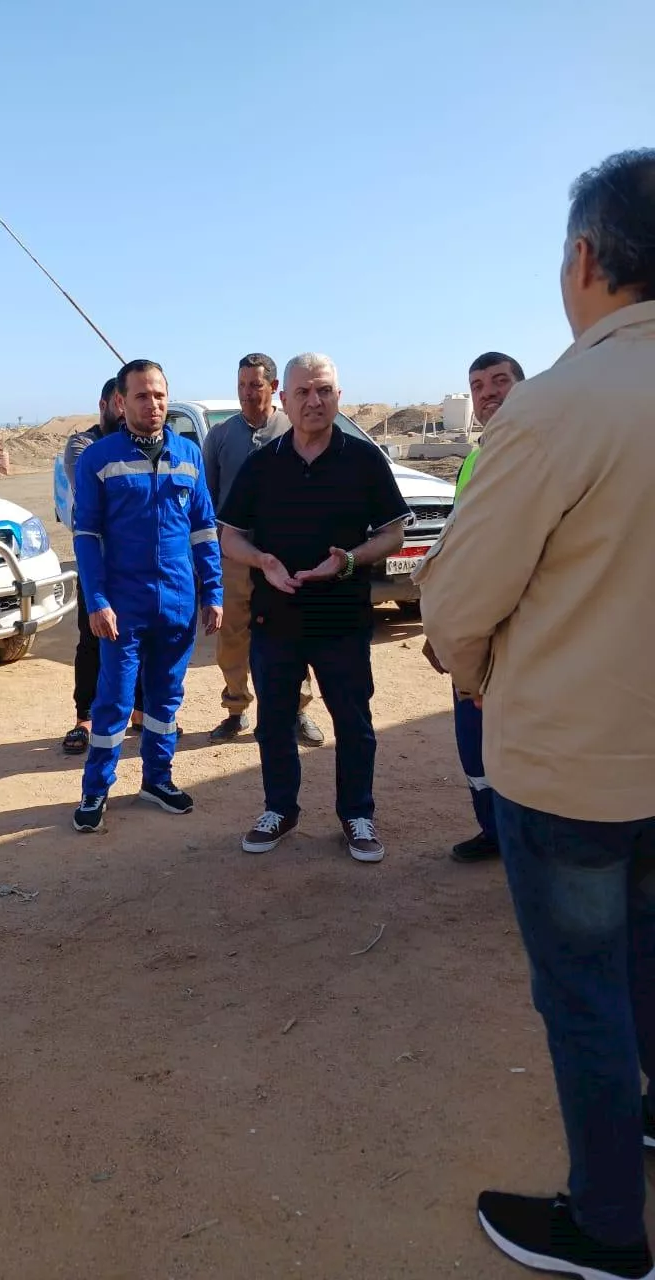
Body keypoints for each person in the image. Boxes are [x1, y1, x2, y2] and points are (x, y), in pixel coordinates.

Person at [416, 150, 655, 1280]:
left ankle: (607, 1228)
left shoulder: (558, 407)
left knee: (585, 993)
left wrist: (474, 678)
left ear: (585, 257)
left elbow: (457, 601)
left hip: (573, 773)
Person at [219, 353, 410, 863]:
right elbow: (230, 536)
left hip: (342, 618)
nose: (314, 401)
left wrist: (350, 560)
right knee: (274, 724)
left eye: (324, 390)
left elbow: (393, 532)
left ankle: (357, 815)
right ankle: (280, 809)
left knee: (353, 723)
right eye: (303, 392)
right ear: (284, 399)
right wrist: (262, 561)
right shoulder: (263, 464)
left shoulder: (364, 460)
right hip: (275, 618)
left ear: (338, 396)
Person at [71, 359, 222, 832]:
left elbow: (203, 528)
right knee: (114, 701)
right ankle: (96, 790)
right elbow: (86, 535)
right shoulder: (99, 458)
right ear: (121, 402)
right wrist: (97, 600)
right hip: (123, 606)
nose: (152, 404)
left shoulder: (188, 454)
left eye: (159, 395)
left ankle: (158, 779)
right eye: (141, 395)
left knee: (165, 699)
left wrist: (213, 590)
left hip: (177, 600)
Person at [428, 352, 525, 865]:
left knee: (517, 744)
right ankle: (493, 831)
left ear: (522, 387)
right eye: (478, 386)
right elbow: (458, 547)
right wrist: (440, 628)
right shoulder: (473, 460)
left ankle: (528, 845)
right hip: (471, 631)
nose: (488, 393)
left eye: (500, 381)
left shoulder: (540, 454)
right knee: (473, 741)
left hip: (518, 630)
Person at [202, 353, 323, 747]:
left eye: (254, 385)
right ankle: (235, 709)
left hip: (286, 557)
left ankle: (298, 710)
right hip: (235, 557)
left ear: (273, 387)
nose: (246, 393)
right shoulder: (220, 437)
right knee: (233, 637)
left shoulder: (293, 429)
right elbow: (208, 498)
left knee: (291, 633)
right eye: (241, 385)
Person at [61, 377, 147, 754]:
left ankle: (141, 712)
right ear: (105, 405)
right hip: (96, 559)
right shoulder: (82, 445)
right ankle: (86, 717)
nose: (125, 410)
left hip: (136, 562)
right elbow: (95, 488)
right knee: (92, 638)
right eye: (119, 402)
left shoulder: (139, 445)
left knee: (141, 635)